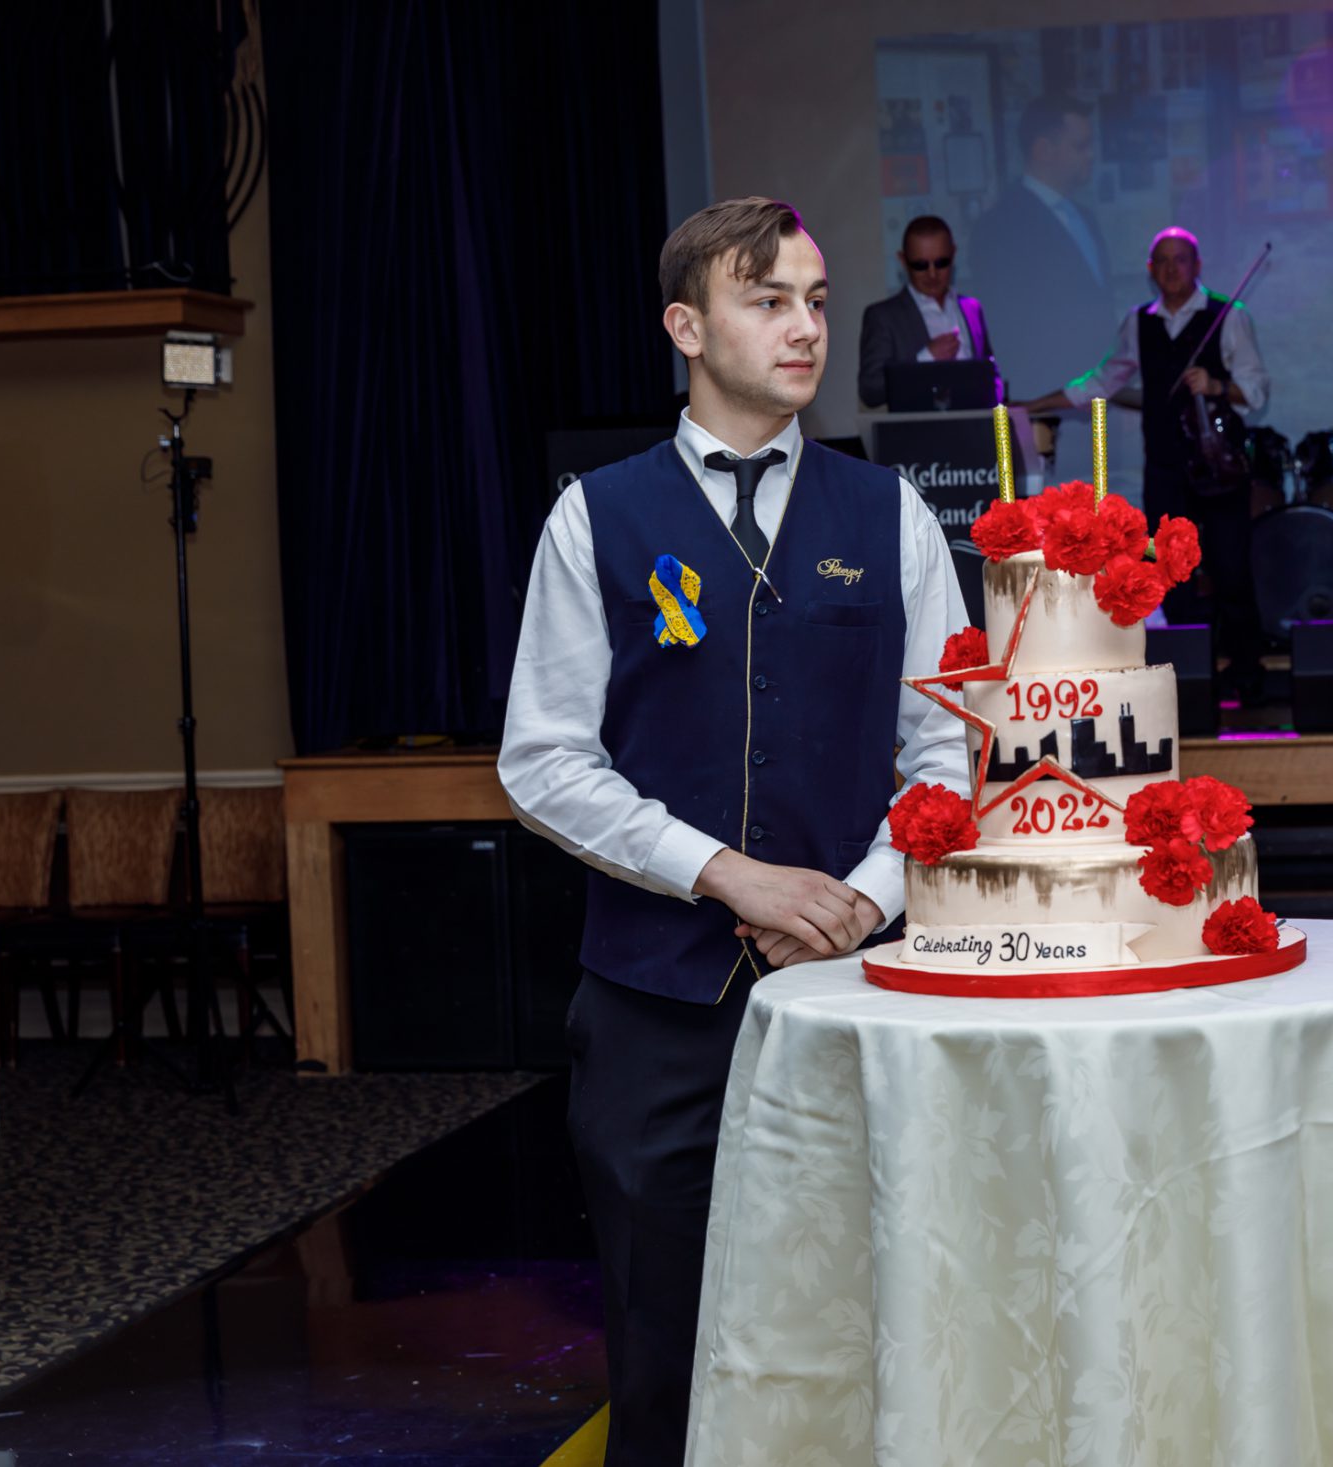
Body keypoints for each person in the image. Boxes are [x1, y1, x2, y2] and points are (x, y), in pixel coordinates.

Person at [498, 196, 969, 1464]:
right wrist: (726, 876)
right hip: (653, 1005)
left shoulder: (890, 514)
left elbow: (950, 754)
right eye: (767, 302)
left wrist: (863, 900)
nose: (804, 327)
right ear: (686, 328)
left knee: (873, 1324)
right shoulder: (596, 515)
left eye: (815, 301)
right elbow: (542, 761)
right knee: (665, 1343)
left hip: (859, 993)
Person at [1021, 226, 1270, 699]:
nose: (1173, 269)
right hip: (1166, 468)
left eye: (1182, 259)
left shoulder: (1229, 315)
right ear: (1151, 270)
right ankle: (1189, 678)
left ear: (1197, 266)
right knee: (1171, 577)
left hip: (1219, 468)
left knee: (1231, 570)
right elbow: (1102, 381)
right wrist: (1032, 405)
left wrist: (1217, 386)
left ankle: (1247, 674)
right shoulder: (1139, 322)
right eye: (1163, 261)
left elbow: (1256, 391)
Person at [969, 93, 1114, 399]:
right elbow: (1006, 325)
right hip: (1043, 401)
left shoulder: (1085, 218)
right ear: (1043, 150)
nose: (1091, 155)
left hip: (1095, 397)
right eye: (1080, 146)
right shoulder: (1001, 226)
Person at [856, 214, 997, 409]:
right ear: (903, 260)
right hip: (919, 428)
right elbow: (871, 390)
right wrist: (926, 358)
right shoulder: (882, 317)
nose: (932, 274)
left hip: (975, 424)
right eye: (920, 265)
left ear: (953, 254)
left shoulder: (971, 308)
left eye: (941, 263)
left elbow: (991, 377)